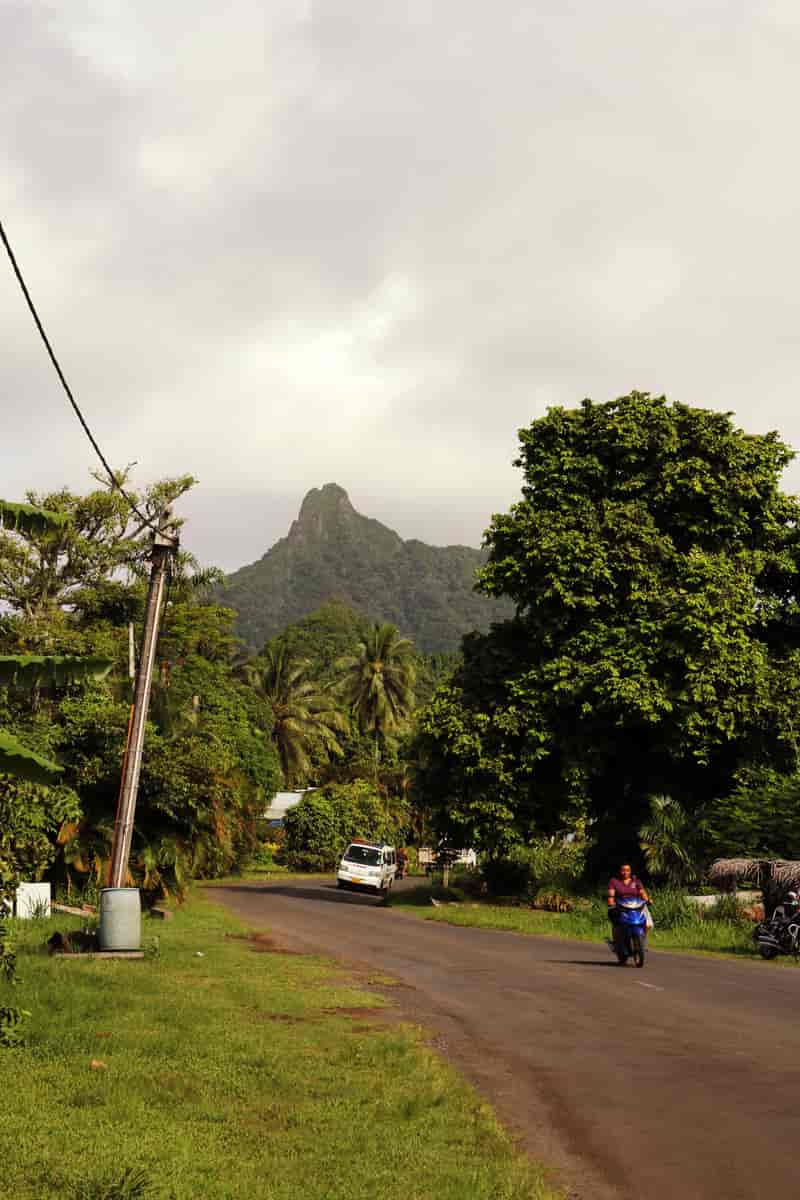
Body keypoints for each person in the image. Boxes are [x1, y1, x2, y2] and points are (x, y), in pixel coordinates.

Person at [607, 863, 650, 956]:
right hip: (620, 907)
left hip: (637, 906)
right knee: (617, 924)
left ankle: (642, 943)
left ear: (630, 871)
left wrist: (648, 900)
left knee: (648, 924)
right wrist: (611, 902)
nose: (625, 872)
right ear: (619, 871)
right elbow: (611, 894)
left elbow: (643, 893)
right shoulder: (614, 881)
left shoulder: (636, 881)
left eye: (627, 870)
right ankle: (617, 943)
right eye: (623, 870)